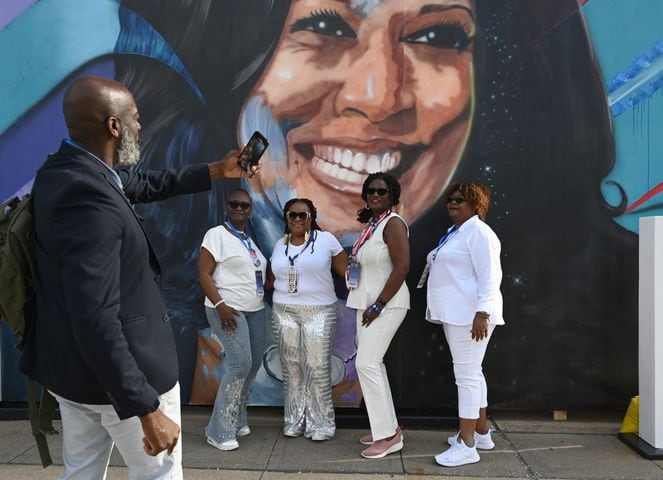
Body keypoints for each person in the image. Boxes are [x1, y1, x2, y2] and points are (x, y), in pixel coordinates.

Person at [18, 75, 257, 479]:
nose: (141, 125)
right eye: (136, 117)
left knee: (82, 473)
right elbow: (94, 317)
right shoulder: (88, 202)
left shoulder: (67, 170)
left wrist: (218, 169)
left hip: (75, 377)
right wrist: (145, 407)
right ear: (114, 126)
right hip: (124, 379)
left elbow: (145, 184)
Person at [423, 182, 504, 467]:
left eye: (461, 199)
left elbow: (490, 277)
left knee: (466, 377)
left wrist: (482, 313)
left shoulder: (480, 233)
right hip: (456, 315)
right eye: (450, 199)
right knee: (474, 373)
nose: (453, 203)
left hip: (470, 317)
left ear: (476, 204)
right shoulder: (456, 232)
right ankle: (481, 433)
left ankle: (466, 445)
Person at [269, 198, 348, 440]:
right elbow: (272, 279)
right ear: (286, 218)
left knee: (316, 366)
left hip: (319, 310)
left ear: (311, 217)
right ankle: (294, 420)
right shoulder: (279, 245)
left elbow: (347, 272)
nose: (297, 219)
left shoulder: (326, 241)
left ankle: (322, 424)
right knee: (291, 366)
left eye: (303, 215)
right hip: (283, 310)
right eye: (292, 215)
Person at [346, 172, 410, 459]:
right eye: (371, 190)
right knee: (372, 366)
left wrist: (379, 304)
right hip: (367, 304)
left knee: (367, 364)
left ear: (392, 196)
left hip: (386, 305)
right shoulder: (374, 224)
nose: (375, 195)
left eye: (382, 191)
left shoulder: (393, 224)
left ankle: (388, 436)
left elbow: (402, 267)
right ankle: (385, 426)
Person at [198, 189, 267, 451]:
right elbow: (204, 273)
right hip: (227, 310)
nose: (239, 208)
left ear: (250, 211)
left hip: (256, 310)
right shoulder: (216, 234)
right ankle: (218, 430)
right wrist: (220, 304)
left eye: (245, 205)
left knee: (253, 365)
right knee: (240, 364)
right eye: (234, 204)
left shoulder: (249, 240)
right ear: (226, 208)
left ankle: (238, 418)